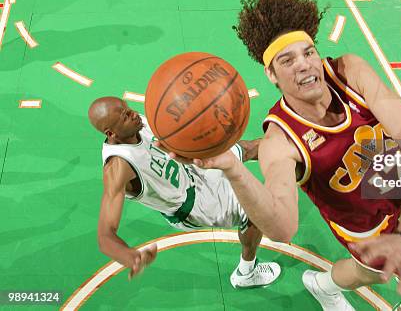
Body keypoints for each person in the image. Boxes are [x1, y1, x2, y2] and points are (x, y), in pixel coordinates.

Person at [169, 0, 401, 311]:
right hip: (361, 218)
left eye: (308, 52)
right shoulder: (279, 141)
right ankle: (323, 284)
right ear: (271, 74)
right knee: (373, 273)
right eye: (287, 59)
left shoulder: (348, 71)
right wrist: (233, 167)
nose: (304, 64)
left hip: (398, 177)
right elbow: (282, 228)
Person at [88, 96, 281, 287]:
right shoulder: (118, 166)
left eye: (128, 108)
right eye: (125, 116)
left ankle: (303, 155)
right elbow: (105, 236)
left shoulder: (136, 123)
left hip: (191, 166)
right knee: (257, 212)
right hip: (195, 204)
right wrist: (129, 257)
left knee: (251, 148)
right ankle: (247, 272)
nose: (133, 114)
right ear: (111, 133)